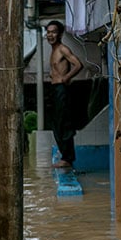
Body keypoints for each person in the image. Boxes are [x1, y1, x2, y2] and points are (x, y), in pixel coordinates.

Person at [46, 20, 83, 168]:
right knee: (56, 125)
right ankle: (64, 157)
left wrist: (66, 78)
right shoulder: (53, 50)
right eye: (48, 32)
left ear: (60, 34)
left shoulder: (62, 49)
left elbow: (78, 64)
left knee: (64, 124)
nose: (50, 35)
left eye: (53, 32)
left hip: (62, 89)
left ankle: (67, 159)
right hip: (55, 90)